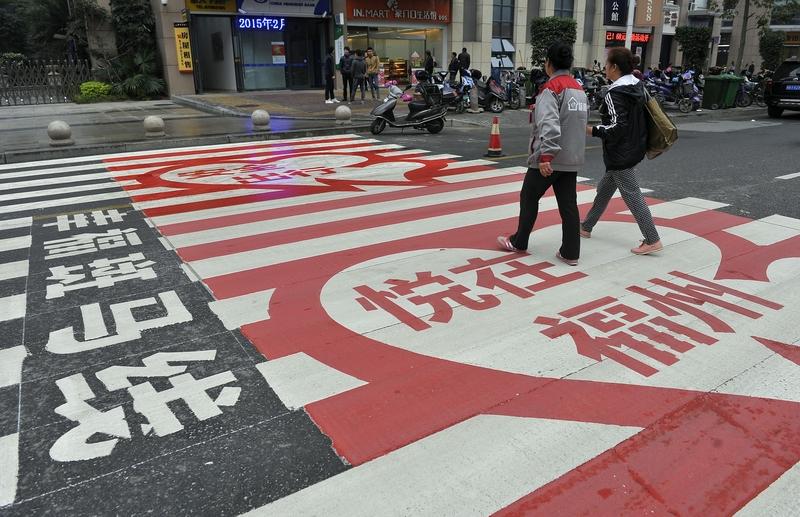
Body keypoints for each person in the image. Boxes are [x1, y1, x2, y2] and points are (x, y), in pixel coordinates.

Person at [497, 41, 588, 266]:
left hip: (550, 158)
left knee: (529, 196)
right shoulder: (579, 89)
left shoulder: (551, 88)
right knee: (568, 205)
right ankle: (570, 252)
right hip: (572, 157)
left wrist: (546, 156)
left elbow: (549, 123)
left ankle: (519, 241)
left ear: (548, 63)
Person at [581, 47, 663, 255]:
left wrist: (591, 130)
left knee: (632, 195)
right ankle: (586, 226)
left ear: (614, 67)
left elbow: (618, 127)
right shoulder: (637, 85)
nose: (605, 68)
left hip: (620, 152)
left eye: (607, 64)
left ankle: (652, 239)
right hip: (636, 146)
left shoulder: (614, 93)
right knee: (605, 189)